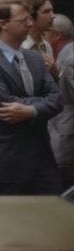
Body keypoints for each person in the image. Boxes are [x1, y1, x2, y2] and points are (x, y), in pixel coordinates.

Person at [0, 0, 63, 195]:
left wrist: (31, 110)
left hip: (42, 158)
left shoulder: (34, 58)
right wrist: (40, 103)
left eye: (30, 19)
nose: (30, 24)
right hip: (6, 160)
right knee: (8, 224)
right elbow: (6, 105)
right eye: (23, 20)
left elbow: (57, 99)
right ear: (3, 24)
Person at [45, 14, 74, 189]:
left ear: (56, 35)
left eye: (44, 35)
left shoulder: (70, 60)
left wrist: (59, 76)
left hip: (67, 134)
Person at [19, 0, 61, 82]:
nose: (53, 16)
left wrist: (56, 74)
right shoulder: (18, 47)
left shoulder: (46, 46)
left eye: (52, 11)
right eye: (46, 11)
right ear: (30, 16)